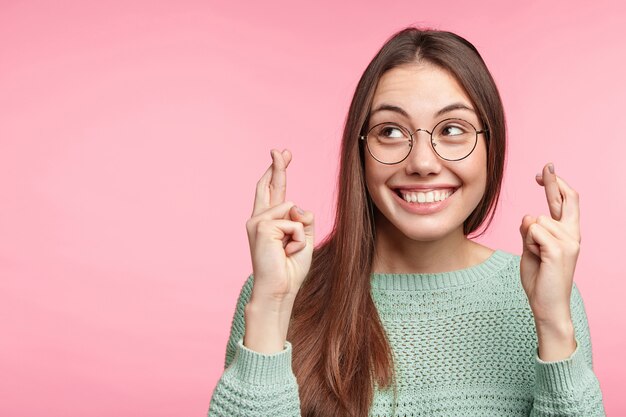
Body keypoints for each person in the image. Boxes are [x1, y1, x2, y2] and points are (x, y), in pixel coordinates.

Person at [207, 27, 606, 417]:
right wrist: (273, 305)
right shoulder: (282, 291)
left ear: (492, 146)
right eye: (391, 131)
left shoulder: (549, 298)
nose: (422, 164)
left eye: (452, 130)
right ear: (360, 153)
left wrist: (552, 321)